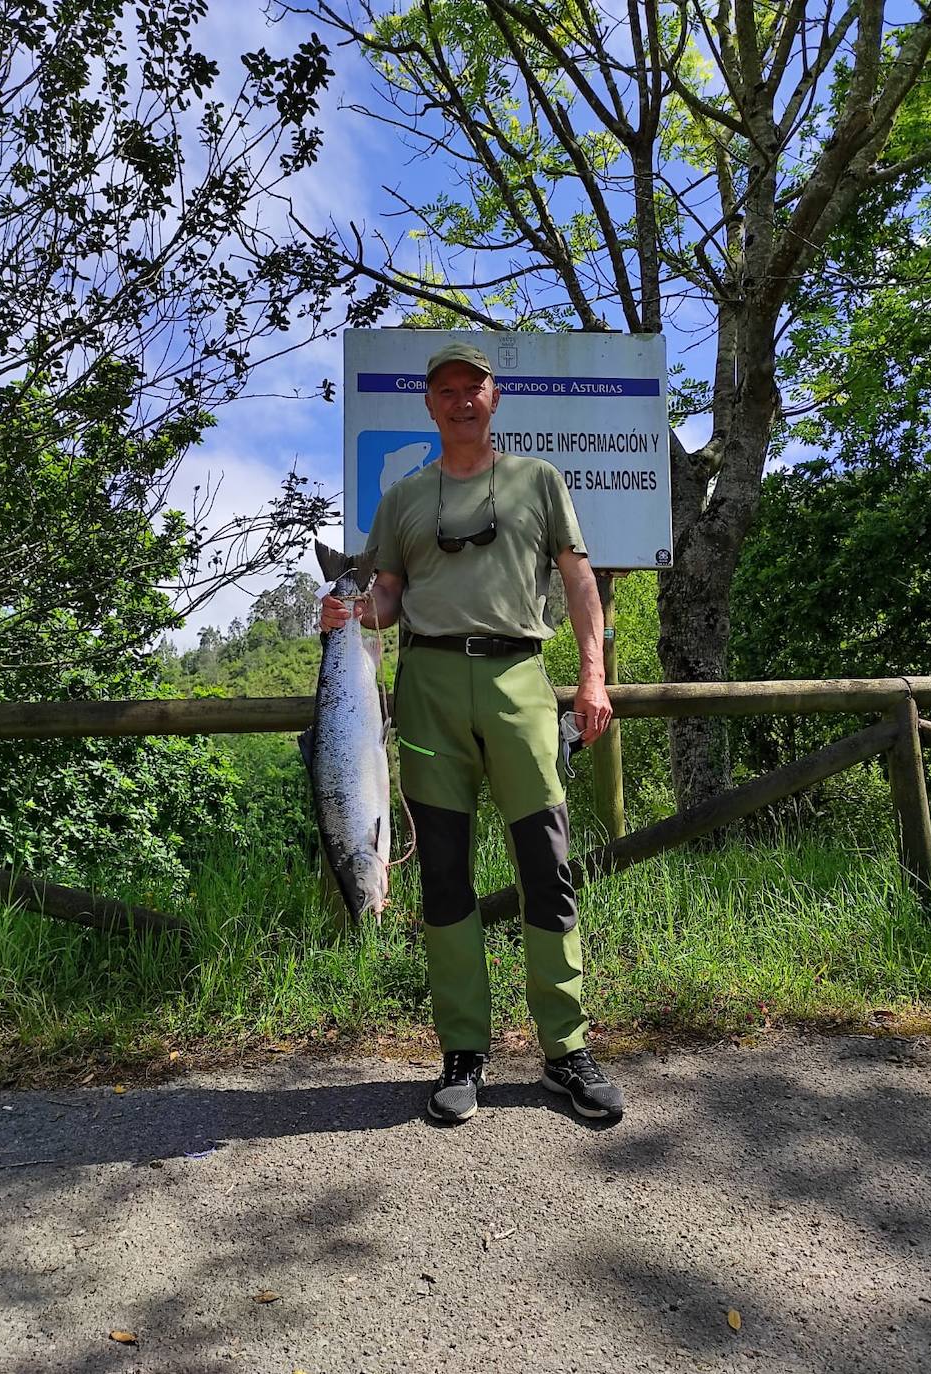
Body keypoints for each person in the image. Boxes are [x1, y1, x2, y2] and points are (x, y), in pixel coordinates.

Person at [320, 341, 624, 1125]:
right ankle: (463, 1052)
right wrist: (350, 614)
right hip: (427, 690)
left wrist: (592, 676)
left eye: (474, 387)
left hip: (520, 679)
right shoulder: (403, 498)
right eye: (445, 389)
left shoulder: (539, 480)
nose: (460, 399)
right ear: (428, 405)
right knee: (444, 875)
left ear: (495, 398)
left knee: (545, 862)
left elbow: (578, 579)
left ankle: (567, 1051)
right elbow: (386, 597)